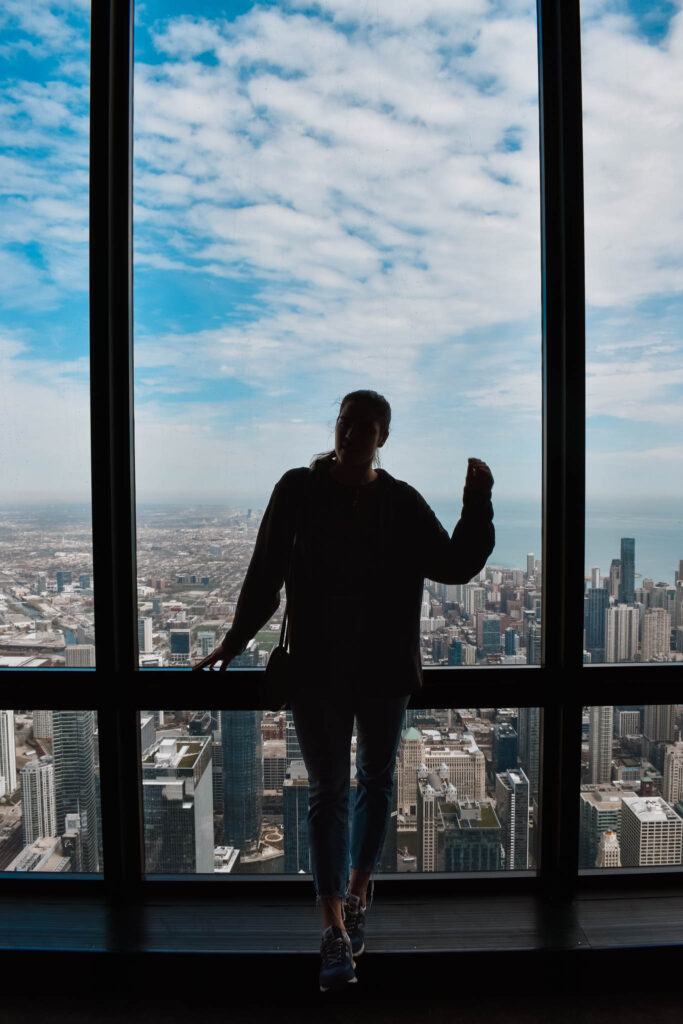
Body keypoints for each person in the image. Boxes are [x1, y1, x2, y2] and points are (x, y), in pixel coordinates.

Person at [193, 389, 494, 991]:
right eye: (346, 422)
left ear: (383, 437)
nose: (353, 434)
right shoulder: (297, 491)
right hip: (317, 672)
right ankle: (332, 926)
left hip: (383, 672)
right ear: (335, 427)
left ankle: (357, 893)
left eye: (367, 426)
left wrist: (477, 501)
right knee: (329, 790)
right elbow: (265, 575)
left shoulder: (402, 501)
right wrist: (234, 641)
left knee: (376, 783)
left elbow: (457, 563)